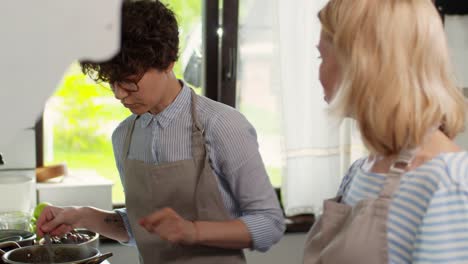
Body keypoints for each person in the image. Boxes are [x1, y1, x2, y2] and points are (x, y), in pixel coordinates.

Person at [36, 1, 285, 263]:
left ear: (167, 62)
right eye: (112, 81)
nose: (120, 94)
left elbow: (270, 224)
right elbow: (140, 230)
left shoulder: (221, 125)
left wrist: (193, 231)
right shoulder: (125, 136)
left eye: (130, 81)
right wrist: (80, 215)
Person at [304, 0, 468, 263]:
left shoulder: (448, 184)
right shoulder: (361, 170)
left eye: (322, 57)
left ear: (361, 64)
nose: (319, 72)